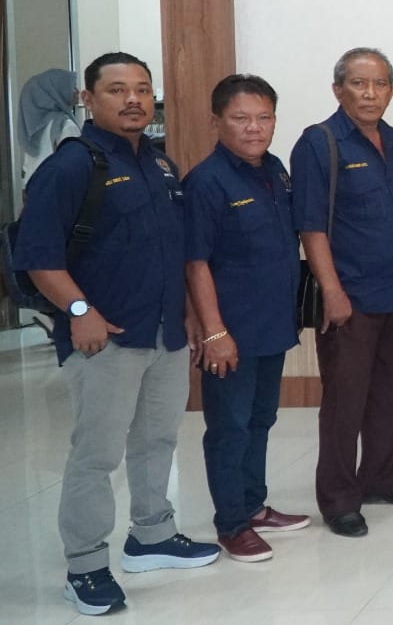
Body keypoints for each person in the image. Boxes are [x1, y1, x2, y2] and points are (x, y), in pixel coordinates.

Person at [13, 53, 219, 616]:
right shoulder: (71, 166)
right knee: (96, 454)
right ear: (88, 99)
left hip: (164, 334)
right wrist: (80, 309)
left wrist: (190, 315)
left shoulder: (161, 165)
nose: (133, 99)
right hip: (104, 340)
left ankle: (152, 535)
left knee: (157, 441)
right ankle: (85, 566)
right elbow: (38, 255)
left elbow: (175, 251)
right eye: (117, 89)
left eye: (142, 89)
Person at [292, 48, 393, 539]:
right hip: (350, 297)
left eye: (380, 84)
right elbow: (311, 225)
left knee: (390, 395)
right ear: (338, 89)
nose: (370, 93)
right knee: (345, 402)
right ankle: (339, 500)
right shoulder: (320, 142)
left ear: (391, 90)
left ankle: (383, 481)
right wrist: (331, 290)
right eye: (358, 83)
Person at [185, 75, 311, 563]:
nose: (254, 128)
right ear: (216, 121)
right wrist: (214, 331)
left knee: (261, 418)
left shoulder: (275, 170)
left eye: (263, 117)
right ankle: (231, 524)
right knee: (229, 427)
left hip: (272, 324)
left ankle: (254, 505)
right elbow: (196, 263)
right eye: (240, 118)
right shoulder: (206, 181)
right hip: (230, 331)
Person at [19, 67, 81, 187]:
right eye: (73, 87)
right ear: (57, 92)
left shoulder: (33, 125)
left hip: (32, 187)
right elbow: (75, 163)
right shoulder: (65, 125)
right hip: (57, 188)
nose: (77, 91)